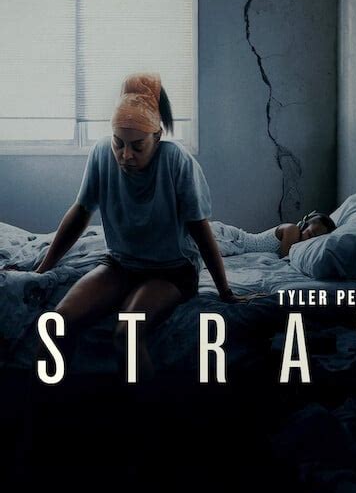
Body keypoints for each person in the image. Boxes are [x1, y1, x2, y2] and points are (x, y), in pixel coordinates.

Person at [34, 72, 259, 381]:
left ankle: (145, 411)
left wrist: (225, 291)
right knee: (56, 323)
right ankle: (47, 404)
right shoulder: (101, 154)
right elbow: (81, 212)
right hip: (120, 264)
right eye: (119, 143)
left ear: (157, 137)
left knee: (127, 333)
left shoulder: (176, 161)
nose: (125, 155)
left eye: (137, 146)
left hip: (171, 271)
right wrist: (43, 267)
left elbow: (200, 230)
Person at [236, 211, 336, 258]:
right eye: (310, 234)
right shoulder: (292, 229)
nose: (310, 240)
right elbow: (285, 257)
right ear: (303, 225)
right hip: (236, 240)